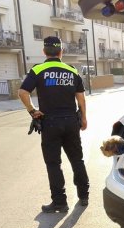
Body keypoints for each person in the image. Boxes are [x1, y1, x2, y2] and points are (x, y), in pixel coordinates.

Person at [18, 36, 89, 213]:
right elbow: (80, 97)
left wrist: (32, 111)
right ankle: (84, 196)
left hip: (50, 123)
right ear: (61, 52)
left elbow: (22, 92)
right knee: (77, 159)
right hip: (71, 122)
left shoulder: (38, 69)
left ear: (44, 51)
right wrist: (84, 118)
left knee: (53, 164)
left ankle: (60, 202)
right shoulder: (72, 70)